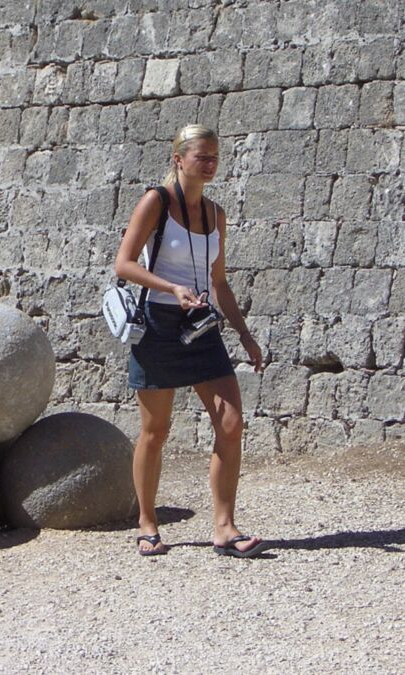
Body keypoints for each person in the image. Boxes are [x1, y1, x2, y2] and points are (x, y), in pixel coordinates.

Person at [114, 124, 266, 558]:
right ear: (179, 159)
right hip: (159, 324)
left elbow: (219, 282)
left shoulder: (216, 214)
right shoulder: (156, 202)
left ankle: (224, 527)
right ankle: (147, 523)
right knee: (155, 430)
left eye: (215, 156)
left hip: (201, 327)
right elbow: (123, 264)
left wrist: (245, 334)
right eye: (202, 156)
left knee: (231, 423)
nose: (210, 163)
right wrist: (172, 288)